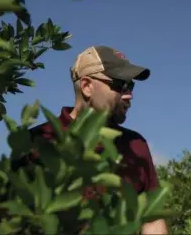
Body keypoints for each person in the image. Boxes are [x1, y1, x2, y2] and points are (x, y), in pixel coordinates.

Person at [28, 45, 169, 235]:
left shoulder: (136, 145)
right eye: (121, 85)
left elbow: (152, 221)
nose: (129, 95)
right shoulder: (38, 141)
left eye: (131, 85)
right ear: (87, 86)